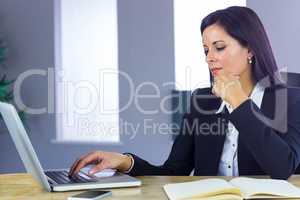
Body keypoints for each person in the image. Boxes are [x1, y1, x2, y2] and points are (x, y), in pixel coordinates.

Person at [69, 6, 300, 180]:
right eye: (206, 49)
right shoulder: (203, 101)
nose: (210, 57)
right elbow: (174, 171)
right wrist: (125, 162)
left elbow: (282, 168)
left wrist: (239, 102)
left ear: (250, 48)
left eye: (219, 47)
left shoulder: (291, 100)